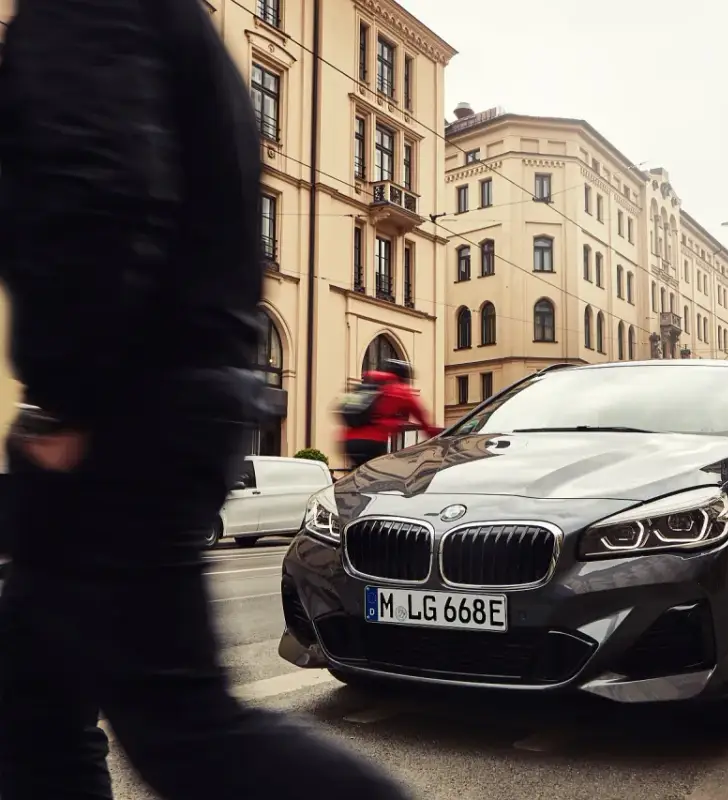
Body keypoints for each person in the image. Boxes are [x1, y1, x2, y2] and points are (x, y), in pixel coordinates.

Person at [0, 2, 417, 798]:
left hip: (125, 408)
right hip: (176, 389)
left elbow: (96, 186)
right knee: (35, 702)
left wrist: (69, 395)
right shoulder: (177, 21)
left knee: (179, 726)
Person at [342, 359, 442, 469]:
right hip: (373, 442)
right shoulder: (401, 392)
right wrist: (437, 436)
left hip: (348, 442)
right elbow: (421, 417)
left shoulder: (369, 386)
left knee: (360, 472)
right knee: (380, 473)